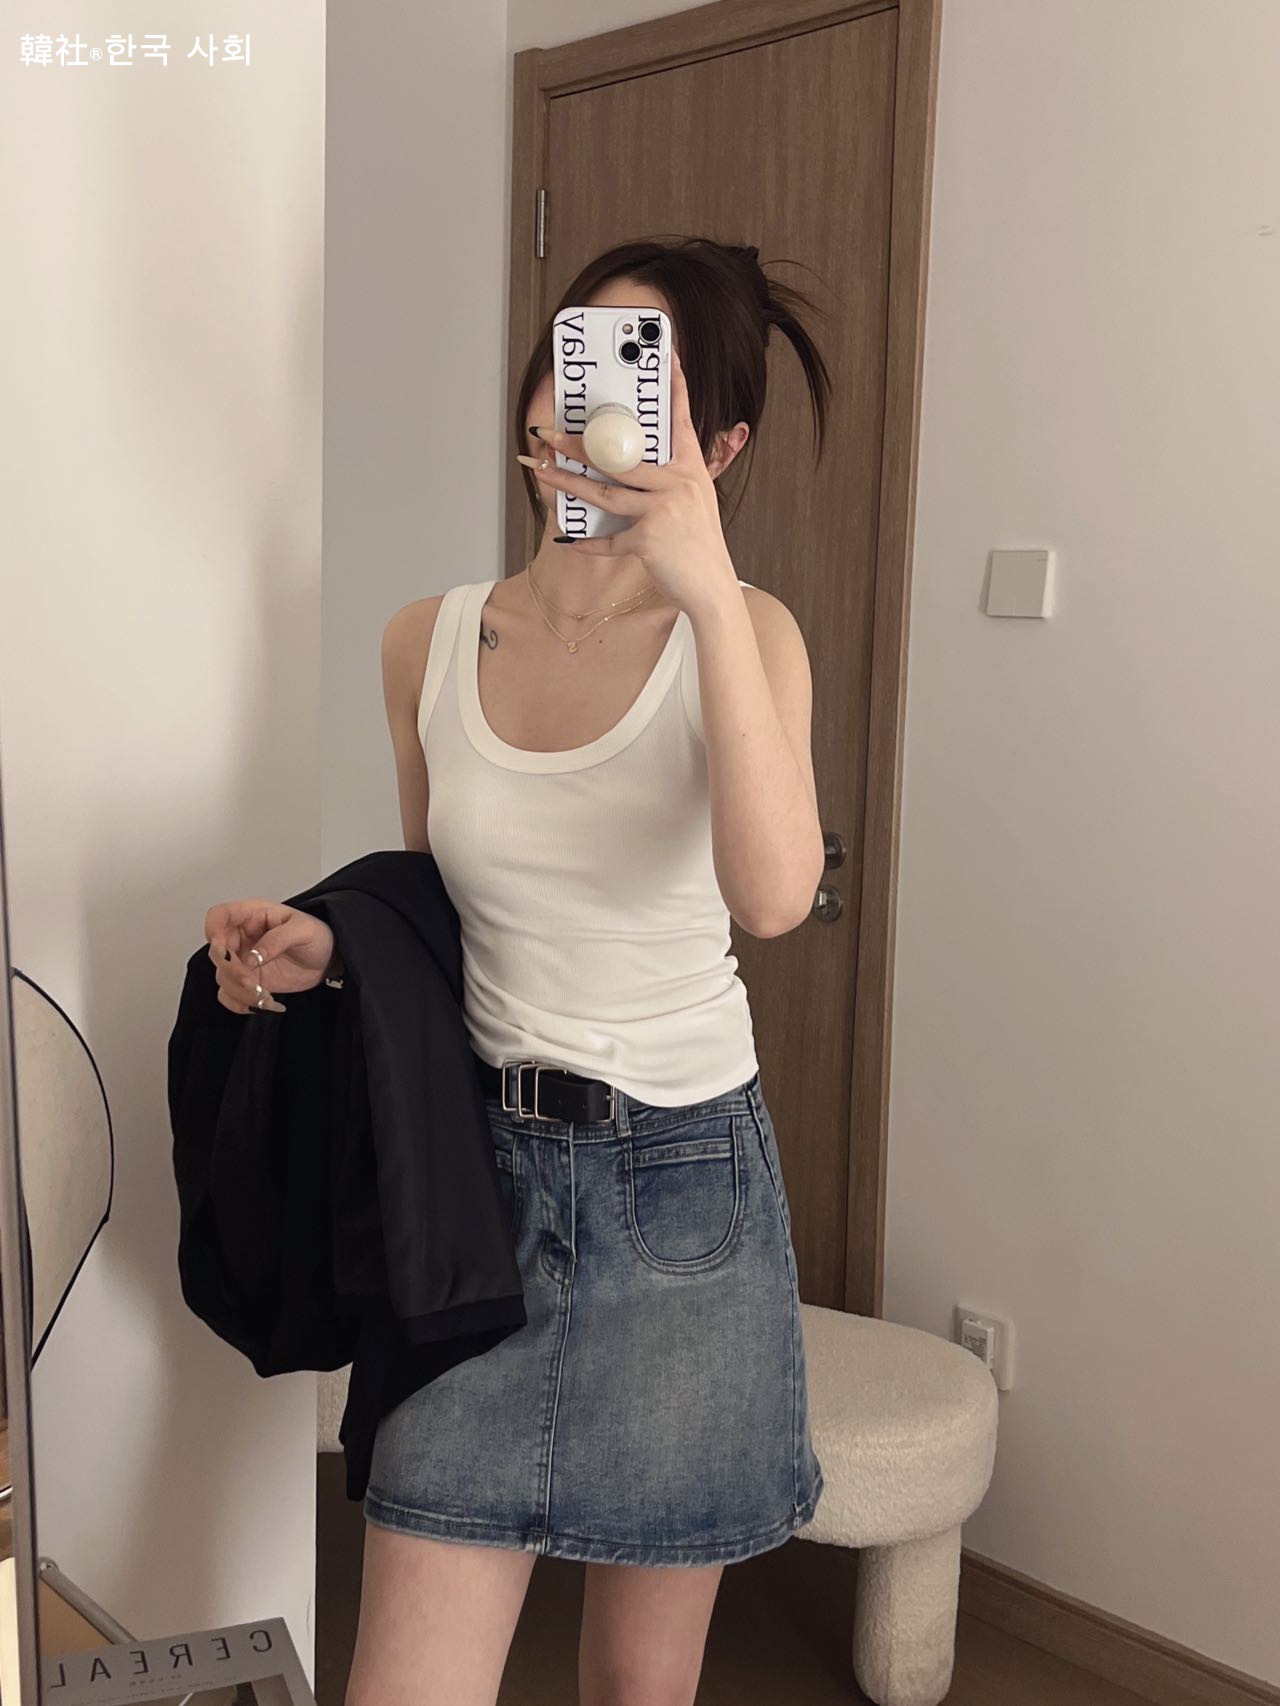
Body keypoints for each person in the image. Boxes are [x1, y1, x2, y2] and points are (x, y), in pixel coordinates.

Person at [205, 234, 832, 1706]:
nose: (586, 406)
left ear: (719, 446)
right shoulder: (427, 640)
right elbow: (449, 914)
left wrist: (706, 589)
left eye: (640, 381)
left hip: (686, 1194)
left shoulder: (750, 636)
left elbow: (773, 895)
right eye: (573, 358)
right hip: (475, 1194)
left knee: (637, 1690)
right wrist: (332, 947)